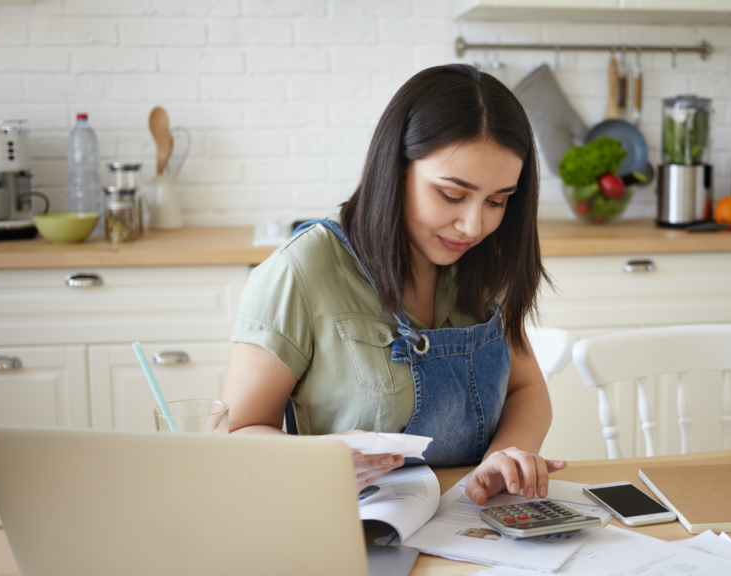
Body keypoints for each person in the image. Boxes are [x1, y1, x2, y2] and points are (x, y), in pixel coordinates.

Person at [221, 64, 564, 506]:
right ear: (395, 168)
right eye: (452, 195)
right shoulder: (302, 270)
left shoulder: (482, 262)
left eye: (497, 201)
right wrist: (321, 457)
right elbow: (235, 435)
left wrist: (504, 458)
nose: (473, 225)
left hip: (471, 528)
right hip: (349, 528)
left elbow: (528, 389)